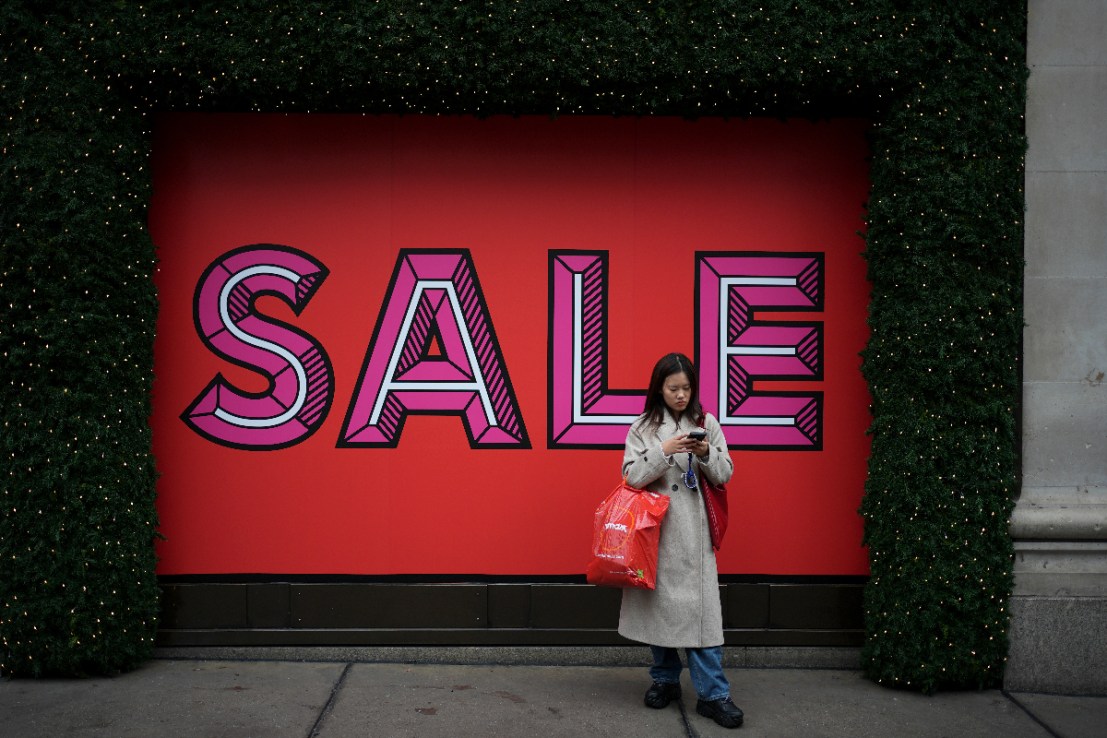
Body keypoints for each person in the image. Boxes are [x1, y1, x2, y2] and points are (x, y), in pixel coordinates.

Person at [618, 352, 744, 729]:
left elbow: (726, 473)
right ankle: (665, 680)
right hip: (655, 535)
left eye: (686, 388)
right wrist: (663, 451)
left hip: (694, 535)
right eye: (673, 388)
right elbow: (630, 475)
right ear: (659, 387)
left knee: (702, 619)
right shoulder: (642, 427)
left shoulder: (707, 423)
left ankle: (713, 695)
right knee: (661, 613)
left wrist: (705, 452)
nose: (680, 395)